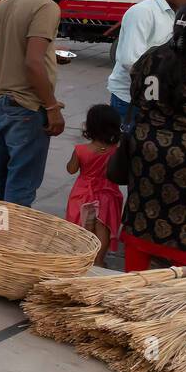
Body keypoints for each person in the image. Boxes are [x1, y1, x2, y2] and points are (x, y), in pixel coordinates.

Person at [0, 0, 85, 206]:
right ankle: (11, 240)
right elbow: (32, 62)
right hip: (28, 109)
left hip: (3, 106)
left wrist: (47, 53)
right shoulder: (47, 7)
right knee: (21, 184)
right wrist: (52, 108)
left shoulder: (8, 1)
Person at [121, 0, 186, 265]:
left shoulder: (153, 56)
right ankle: (184, 292)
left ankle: (133, 282)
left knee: (143, 215)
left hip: (146, 150)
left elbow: (136, 93)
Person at [107, 0, 186, 126]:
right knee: (132, 148)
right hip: (132, 100)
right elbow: (130, 62)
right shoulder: (143, 13)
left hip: (163, 101)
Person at [64, 104, 124, 266]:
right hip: (107, 192)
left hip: (83, 193)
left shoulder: (81, 150)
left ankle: (83, 258)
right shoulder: (115, 150)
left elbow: (71, 169)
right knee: (103, 227)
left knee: (85, 225)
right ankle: (99, 260)